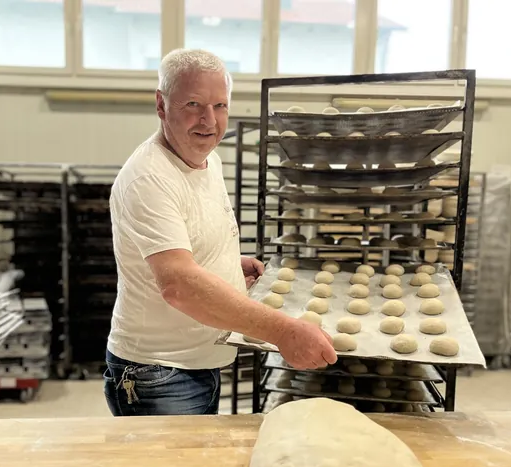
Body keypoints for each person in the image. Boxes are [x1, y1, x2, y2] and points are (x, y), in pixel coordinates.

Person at [105, 48, 337, 416]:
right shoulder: (148, 178)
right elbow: (178, 283)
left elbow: (186, 241)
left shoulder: (207, 158)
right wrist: (283, 332)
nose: (208, 120)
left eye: (219, 105)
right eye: (193, 104)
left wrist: (227, 264)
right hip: (159, 372)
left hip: (201, 359)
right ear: (162, 105)